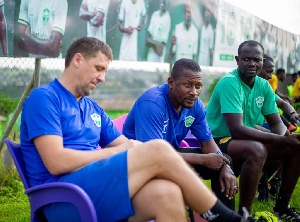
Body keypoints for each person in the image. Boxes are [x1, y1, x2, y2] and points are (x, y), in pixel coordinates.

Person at [20, 37, 253, 222]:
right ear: (78, 60)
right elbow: (56, 162)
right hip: (64, 198)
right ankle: (226, 219)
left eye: (105, 71)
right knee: (158, 149)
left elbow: (128, 145)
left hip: (96, 187)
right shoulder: (44, 98)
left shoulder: (92, 108)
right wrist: (120, 152)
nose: (102, 78)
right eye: (99, 69)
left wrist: (138, 151)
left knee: (166, 193)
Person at [123, 58, 238, 211]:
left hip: (168, 156)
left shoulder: (194, 104)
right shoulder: (152, 103)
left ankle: (226, 218)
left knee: (222, 161)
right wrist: (203, 160)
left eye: (198, 86)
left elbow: (207, 142)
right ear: (171, 82)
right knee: (210, 160)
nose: (194, 92)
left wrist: (223, 165)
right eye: (188, 85)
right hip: (139, 162)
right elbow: (151, 155)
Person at [206, 40, 300, 221]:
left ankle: (282, 207)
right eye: (246, 59)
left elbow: (276, 122)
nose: (252, 64)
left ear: (262, 61)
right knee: (257, 149)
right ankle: (245, 215)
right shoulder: (230, 83)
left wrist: (284, 138)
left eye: (256, 60)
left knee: (295, 145)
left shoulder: (263, 85)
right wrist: (281, 140)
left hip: (242, 141)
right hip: (217, 141)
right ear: (237, 60)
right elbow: (236, 130)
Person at [257, 54, 300, 132]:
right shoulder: (274, 78)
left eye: (271, 72)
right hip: (249, 130)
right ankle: (288, 126)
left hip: (259, 125)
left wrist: (293, 113)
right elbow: (244, 126)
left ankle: (288, 126)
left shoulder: (264, 86)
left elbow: (281, 101)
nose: (270, 76)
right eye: (268, 72)